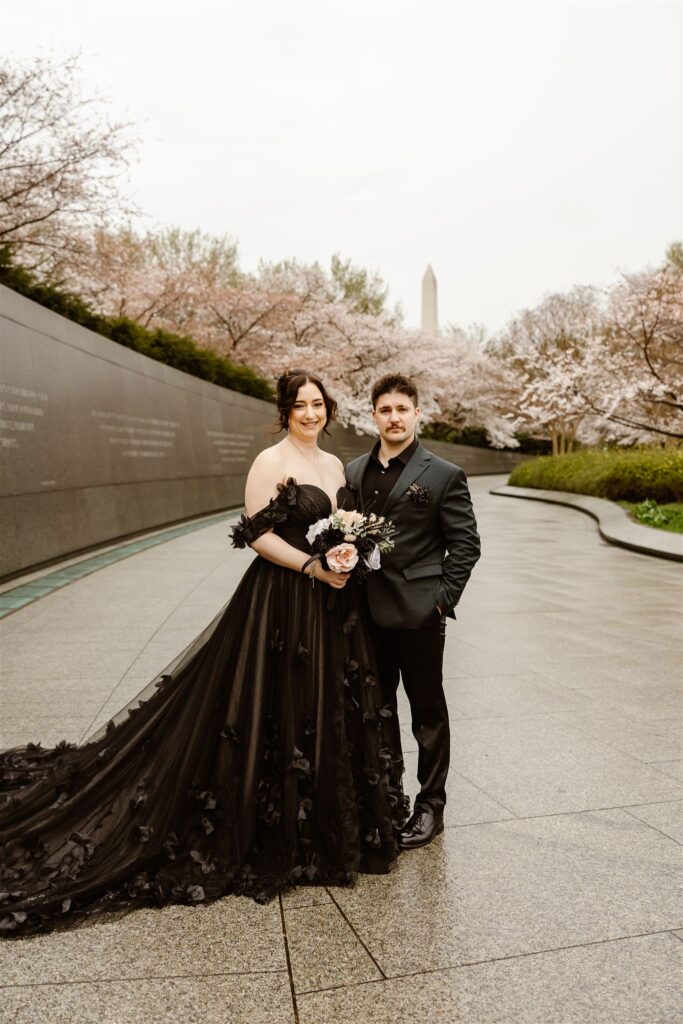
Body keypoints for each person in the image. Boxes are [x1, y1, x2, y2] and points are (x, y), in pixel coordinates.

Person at [0, 369, 408, 937]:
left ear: (328, 409)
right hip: (284, 598)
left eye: (317, 404)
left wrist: (346, 554)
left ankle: (323, 823)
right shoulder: (269, 461)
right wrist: (312, 565)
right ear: (285, 412)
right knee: (277, 701)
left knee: (324, 703)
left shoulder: (336, 466)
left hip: (333, 607)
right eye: (299, 405)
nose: (310, 414)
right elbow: (257, 536)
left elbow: (343, 526)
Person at [346, 373, 480, 850]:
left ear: (417, 413)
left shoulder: (443, 474)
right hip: (365, 613)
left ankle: (430, 807)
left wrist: (441, 599)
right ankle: (387, 798)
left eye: (402, 409)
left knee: (427, 714)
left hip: (419, 614)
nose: (394, 418)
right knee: (376, 709)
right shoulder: (354, 471)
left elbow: (466, 545)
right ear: (373, 416)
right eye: (385, 410)